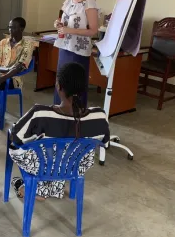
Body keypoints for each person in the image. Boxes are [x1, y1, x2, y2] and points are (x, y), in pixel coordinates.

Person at [9, 62, 110, 200]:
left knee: (29, 147)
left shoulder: (40, 113)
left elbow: (15, 137)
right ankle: (52, 186)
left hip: (44, 167)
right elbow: (104, 141)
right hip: (74, 166)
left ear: (59, 86)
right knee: (63, 151)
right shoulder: (100, 116)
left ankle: (37, 188)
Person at [53, 0, 99, 107]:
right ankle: (59, 111)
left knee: (75, 84)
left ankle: (76, 115)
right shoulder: (68, 1)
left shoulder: (89, 3)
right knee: (62, 81)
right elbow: (63, 20)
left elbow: (93, 31)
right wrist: (58, 23)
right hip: (64, 47)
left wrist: (69, 30)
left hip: (78, 51)